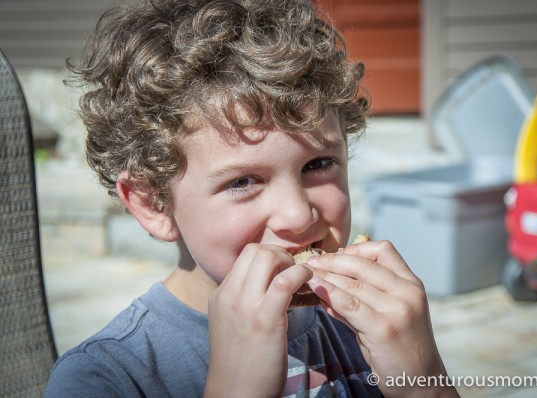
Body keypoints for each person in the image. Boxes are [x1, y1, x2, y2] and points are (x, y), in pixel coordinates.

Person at [45, 0, 459, 397]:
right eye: (243, 181)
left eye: (317, 164)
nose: (298, 215)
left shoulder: (370, 329)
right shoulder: (104, 378)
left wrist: (426, 383)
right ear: (153, 203)